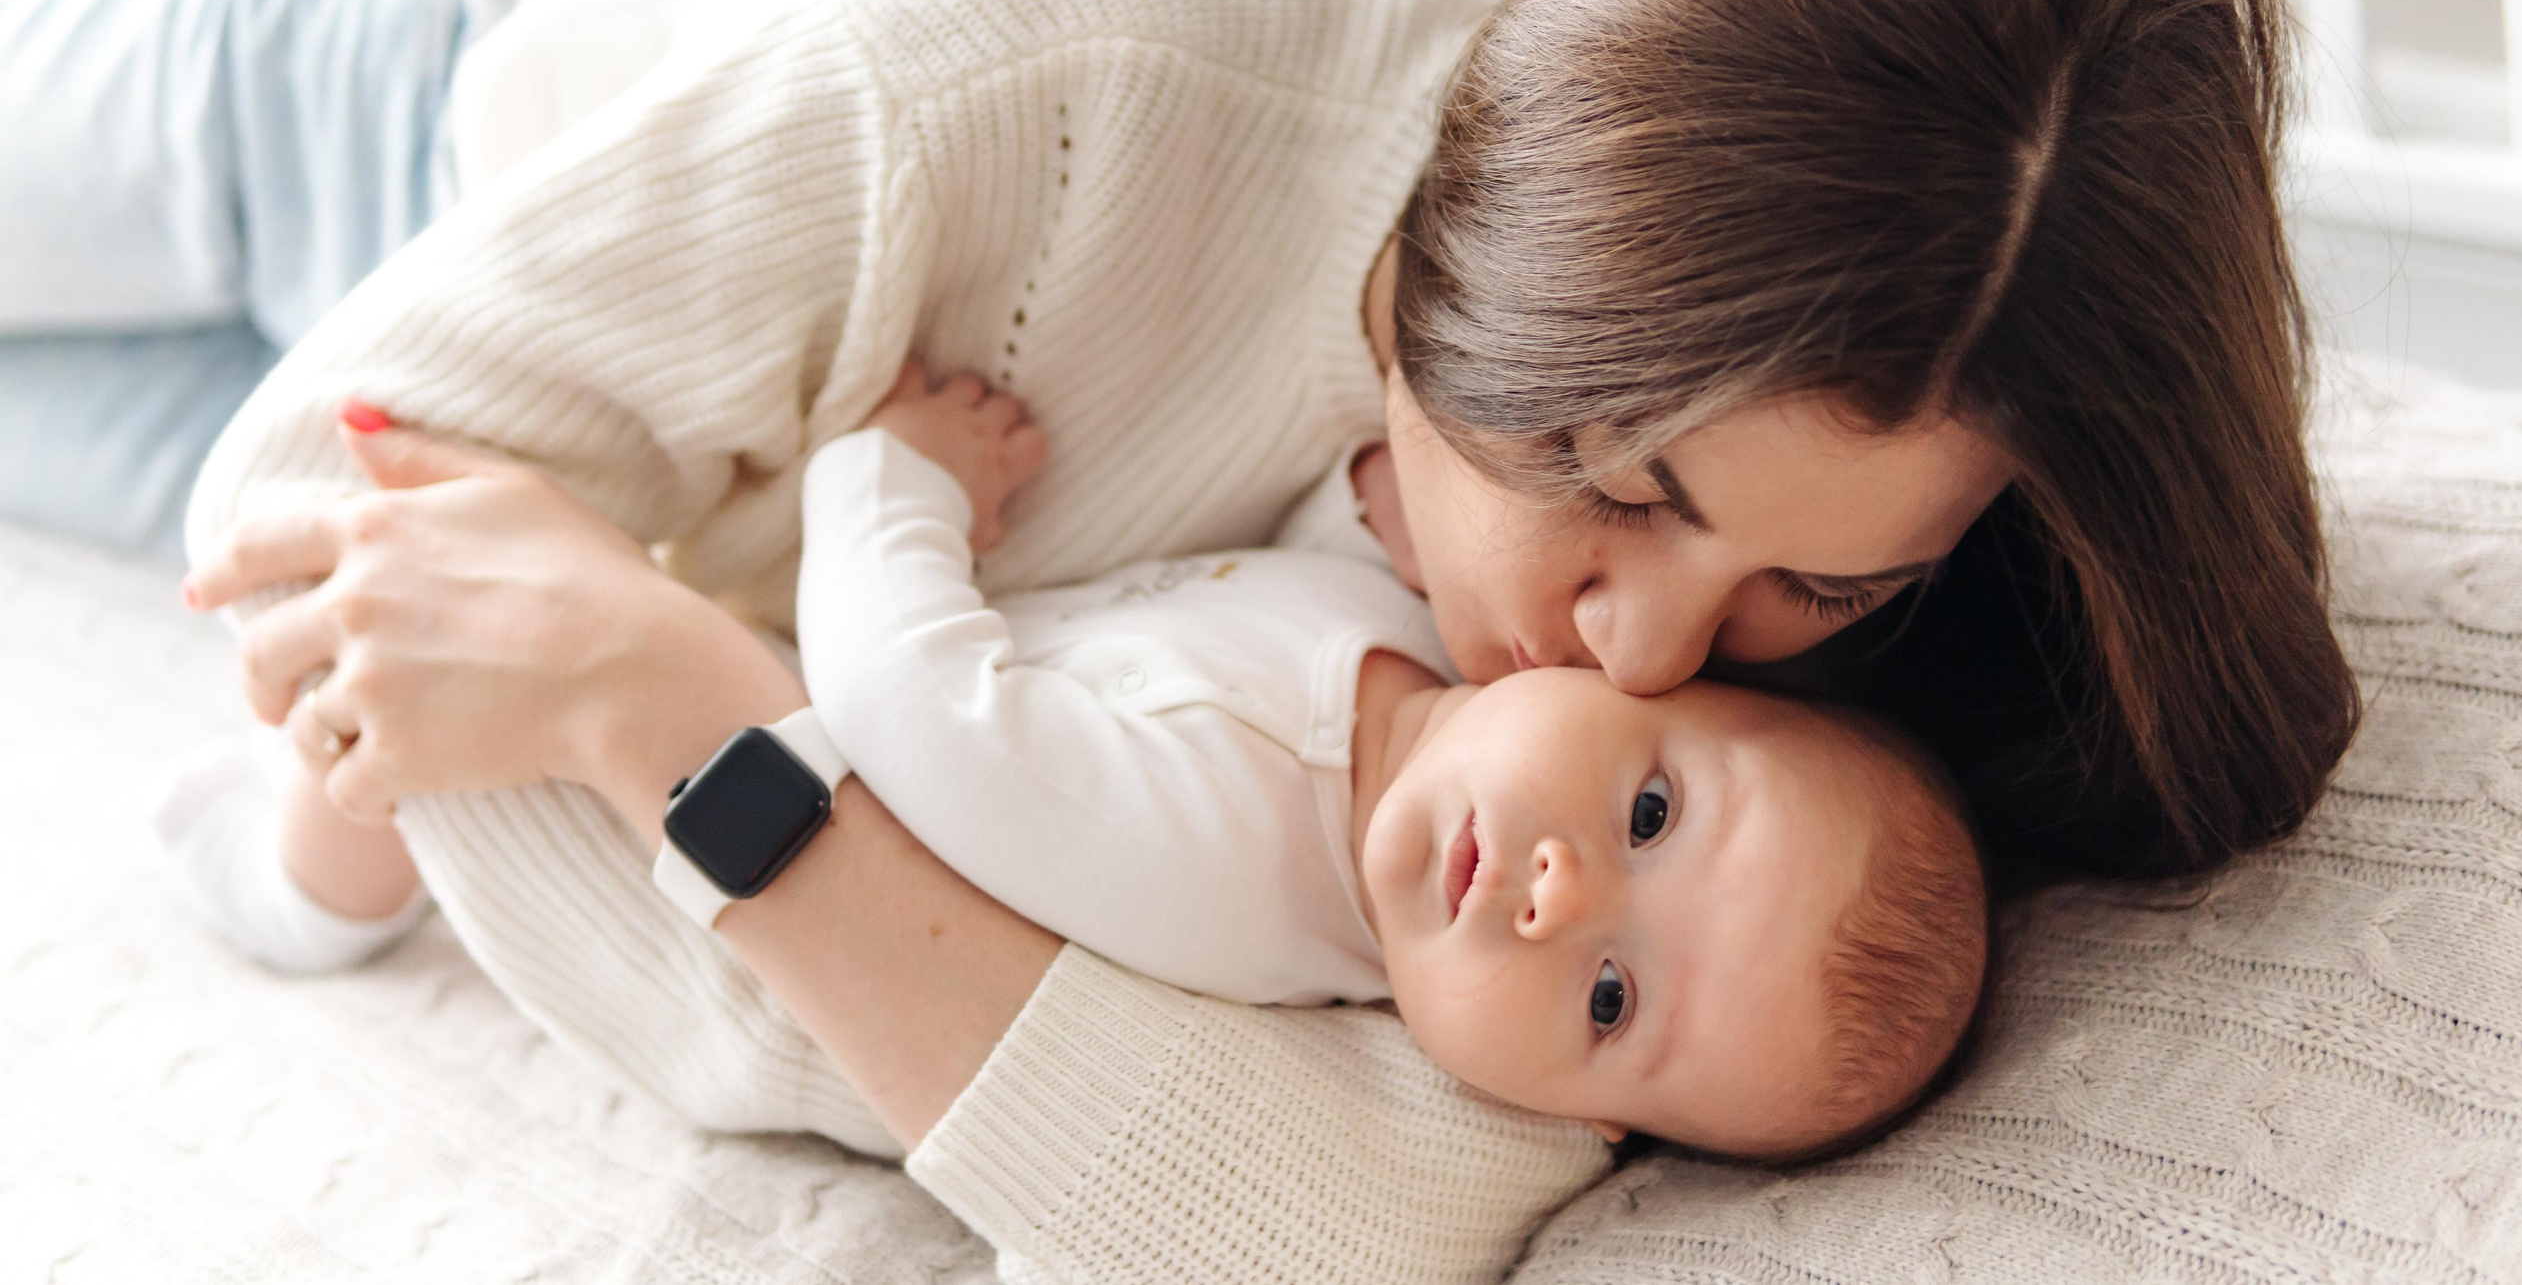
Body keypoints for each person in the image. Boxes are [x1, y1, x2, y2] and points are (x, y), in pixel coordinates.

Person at [15, 0, 2356, 1281]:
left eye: (1807, 579)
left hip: (614, 546)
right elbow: (322, 515)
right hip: (381, 59)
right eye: (1606, 477)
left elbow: (1299, 1226)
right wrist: (798, 845)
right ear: (1487, 240)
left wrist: (675, 714)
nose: (1641, 656)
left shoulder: (1809, 723)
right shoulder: (1111, 34)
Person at [161, 361, 1992, 1164]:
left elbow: (915, 708)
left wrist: (903, 484)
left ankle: (297, 892)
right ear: (1650, 681)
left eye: (1607, 998)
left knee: (377, 768)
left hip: (702, 843)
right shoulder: (1415, 656)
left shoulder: (1218, 852)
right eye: (1653, 811)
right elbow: (1264, 586)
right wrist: (1360, 509)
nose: (1555, 888)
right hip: (741, 704)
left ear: (1583, 1126)